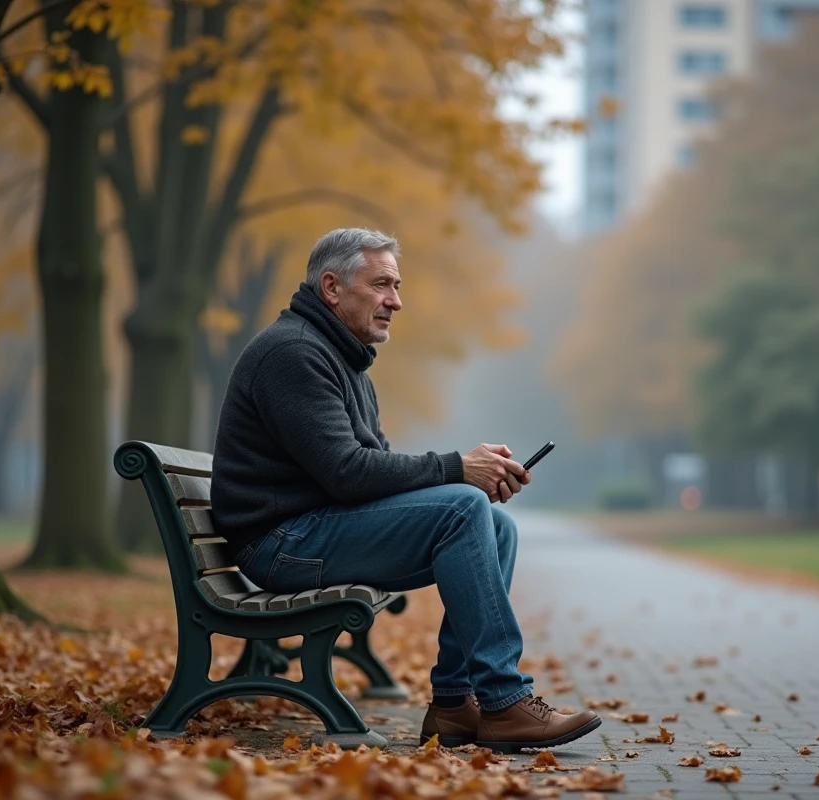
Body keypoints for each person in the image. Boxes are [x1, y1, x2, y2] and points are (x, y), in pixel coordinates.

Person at [211, 227, 601, 753]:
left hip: (311, 530)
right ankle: (505, 701)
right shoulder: (293, 354)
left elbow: (374, 468)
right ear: (332, 287)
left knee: (494, 523)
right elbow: (348, 473)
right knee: (465, 507)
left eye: (396, 286)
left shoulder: (340, 358)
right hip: (281, 545)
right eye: (382, 285)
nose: (396, 301)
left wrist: (469, 476)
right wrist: (458, 471)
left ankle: (453, 705)